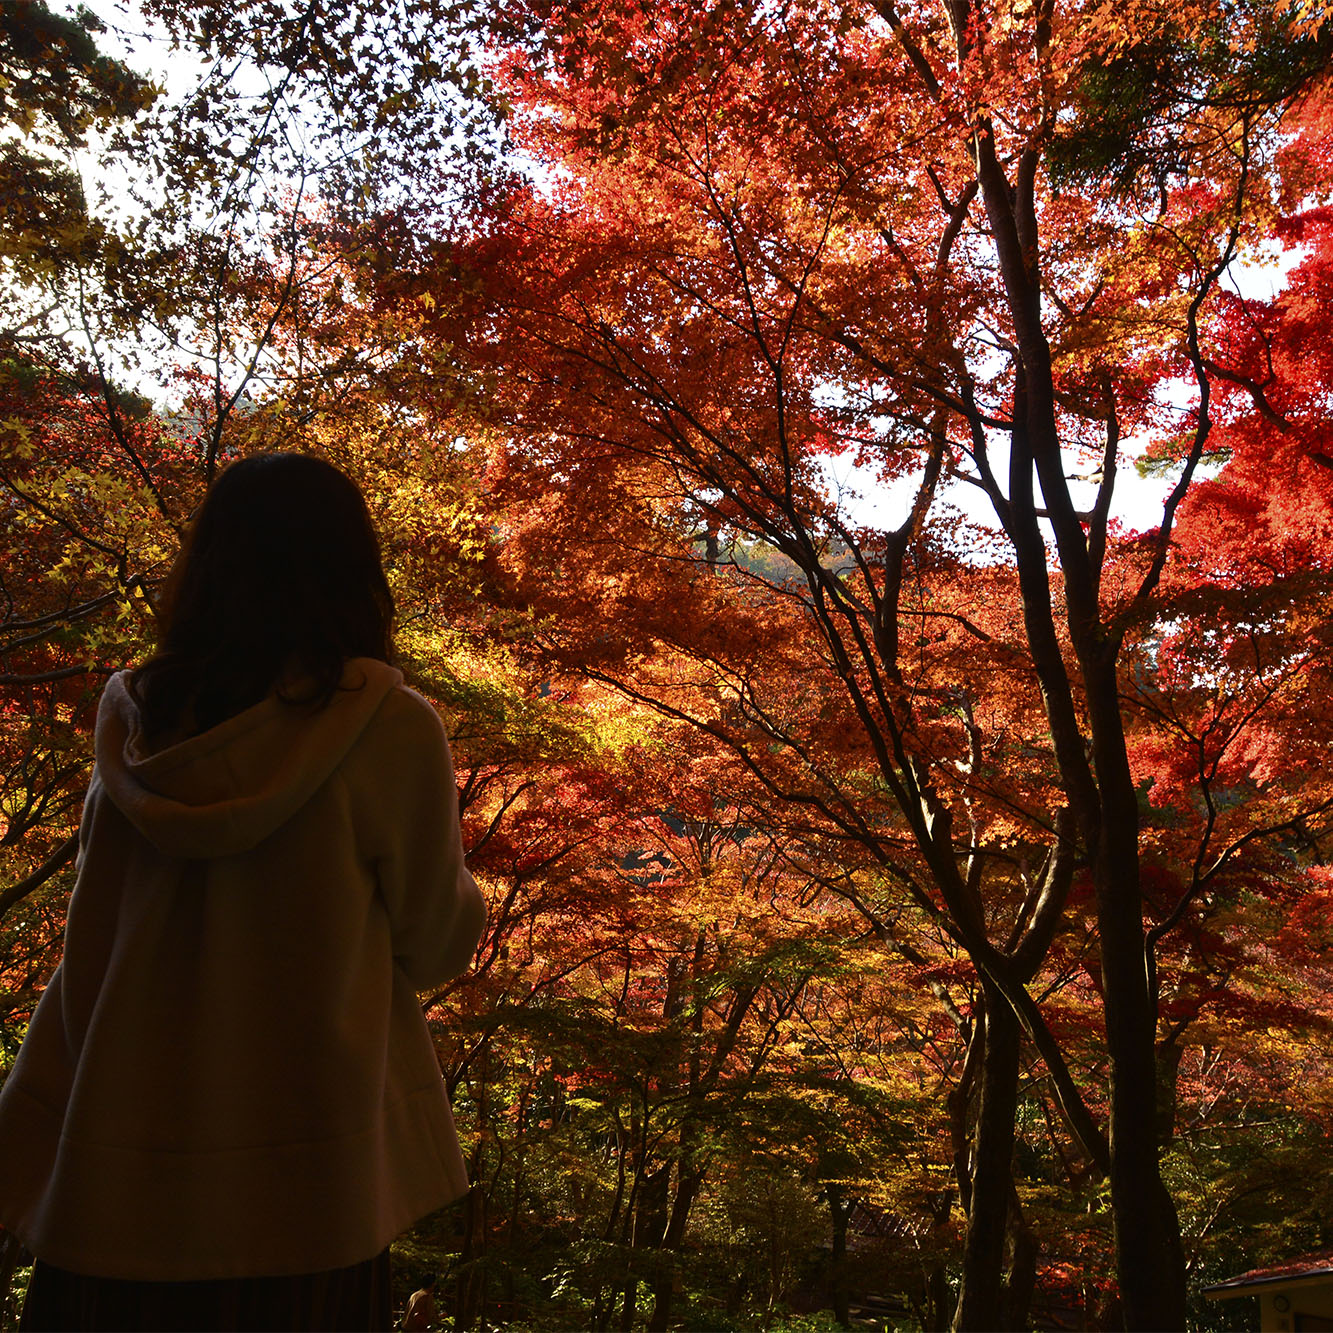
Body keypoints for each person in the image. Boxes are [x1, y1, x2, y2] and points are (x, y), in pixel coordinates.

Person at [0, 452, 488, 1331]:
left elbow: (90, 943)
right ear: (352, 570)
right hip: (309, 1186)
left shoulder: (137, 723)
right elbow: (436, 943)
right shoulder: (386, 727)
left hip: (118, 1172)